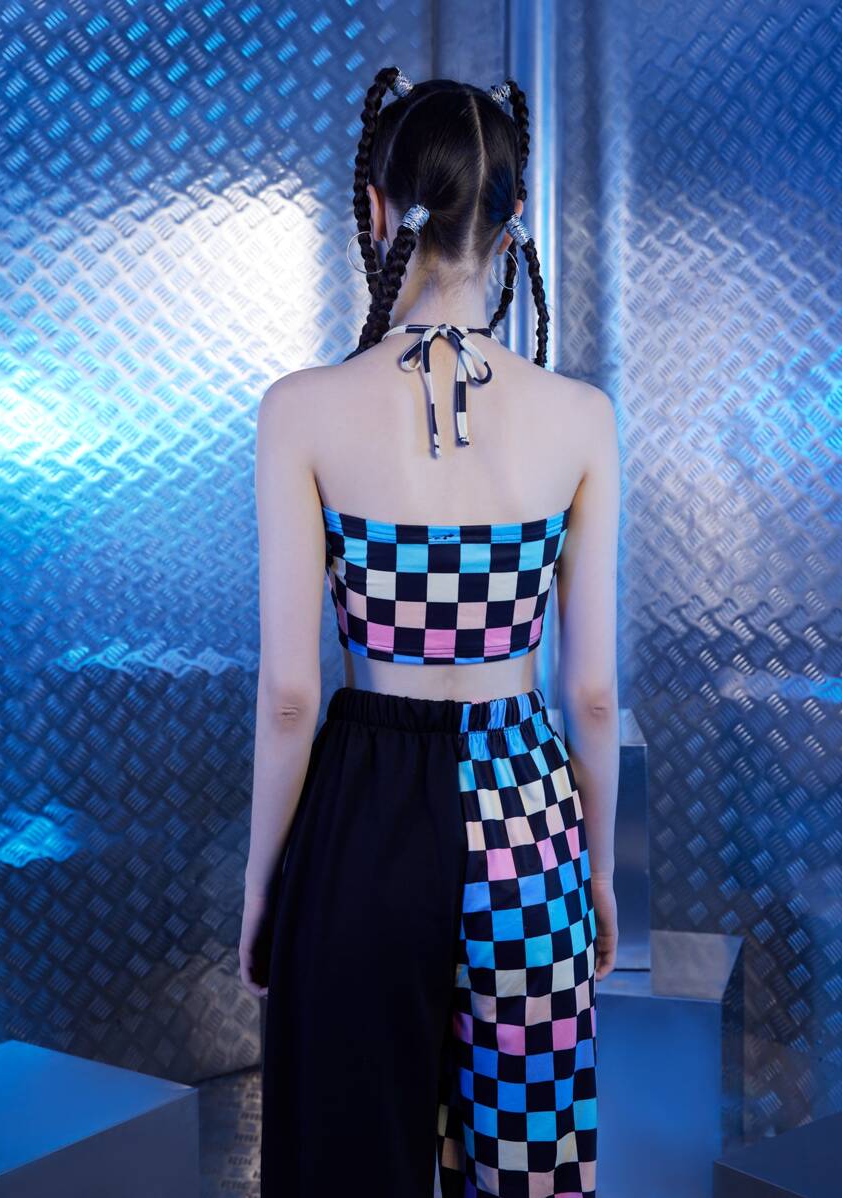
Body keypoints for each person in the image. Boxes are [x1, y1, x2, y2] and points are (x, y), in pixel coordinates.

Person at [242, 66, 620, 1198]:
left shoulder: (301, 409)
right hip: (525, 809)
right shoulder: (581, 418)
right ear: (514, 220)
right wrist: (596, 874)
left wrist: (265, 888)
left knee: (349, 1160)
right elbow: (592, 695)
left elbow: (290, 697)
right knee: (526, 1165)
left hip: (362, 811)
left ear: (375, 209)